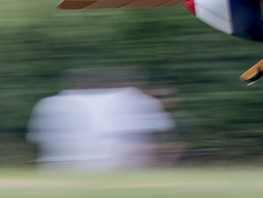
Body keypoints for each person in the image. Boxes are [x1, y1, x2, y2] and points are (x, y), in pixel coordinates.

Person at [27, 72, 175, 171]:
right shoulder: (137, 101)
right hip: (120, 169)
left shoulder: (50, 103)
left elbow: (38, 140)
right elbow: (161, 135)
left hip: (60, 168)